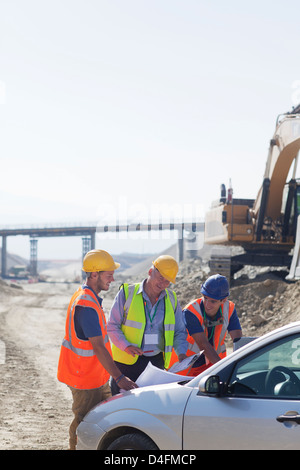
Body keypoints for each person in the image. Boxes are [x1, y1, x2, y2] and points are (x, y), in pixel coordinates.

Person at [57, 249, 137, 450]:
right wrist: (120, 378)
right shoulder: (86, 304)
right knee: (84, 422)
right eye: (108, 274)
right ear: (94, 274)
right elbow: (99, 347)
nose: (112, 278)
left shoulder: (90, 299)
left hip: (95, 377)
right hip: (85, 379)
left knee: (102, 422)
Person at [107, 255, 188, 394]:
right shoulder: (127, 294)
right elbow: (112, 326)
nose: (162, 284)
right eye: (161, 277)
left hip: (156, 364)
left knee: (149, 408)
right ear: (150, 272)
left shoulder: (172, 299)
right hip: (127, 362)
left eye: (167, 281)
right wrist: (126, 346)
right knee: (121, 408)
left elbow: (179, 331)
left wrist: (181, 352)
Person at [170, 273, 242, 376]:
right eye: (205, 297)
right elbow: (203, 344)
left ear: (224, 300)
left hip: (211, 365)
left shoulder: (229, 309)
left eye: (213, 301)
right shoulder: (190, 311)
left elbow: (238, 340)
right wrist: (224, 369)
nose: (207, 304)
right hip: (186, 367)